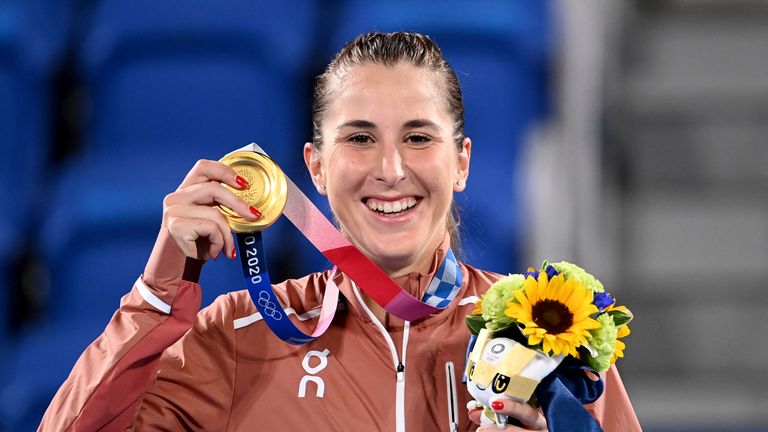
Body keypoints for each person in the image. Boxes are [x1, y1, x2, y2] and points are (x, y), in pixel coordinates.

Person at [40, 32, 641, 431]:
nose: (390, 169)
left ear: (461, 162)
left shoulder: (550, 331)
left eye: (418, 136)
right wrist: (155, 296)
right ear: (316, 168)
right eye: (358, 138)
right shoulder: (236, 338)